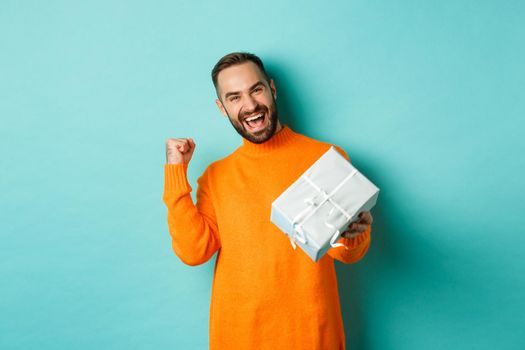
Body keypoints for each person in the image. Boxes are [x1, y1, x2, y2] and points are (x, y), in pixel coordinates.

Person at [162, 52, 374, 350]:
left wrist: (355, 231)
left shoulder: (326, 159)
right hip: (238, 338)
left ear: (272, 89)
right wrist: (175, 172)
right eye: (234, 98)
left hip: (312, 335)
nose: (249, 106)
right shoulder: (216, 176)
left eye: (256, 90)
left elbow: (347, 254)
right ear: (222, 108)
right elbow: (193, 251)